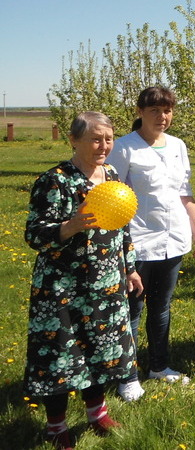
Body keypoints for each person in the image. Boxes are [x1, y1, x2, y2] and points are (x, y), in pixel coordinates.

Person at [24, 112, 144, 449]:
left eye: (108, 139)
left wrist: (130, 267)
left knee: (101, 351)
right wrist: (71, 225)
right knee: (61, 355)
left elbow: (122, 225)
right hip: (62, 287)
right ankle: (56, 427)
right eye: (95, 139)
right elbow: (34, 234)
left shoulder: (111, 175)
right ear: (74, 140)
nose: (103, 146)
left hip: (105, 283)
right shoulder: (55, 181)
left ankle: (97, 413)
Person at [107, 87, 195, 400]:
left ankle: (159, 366)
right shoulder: (124, 148)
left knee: (161, 308)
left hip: (172, 240)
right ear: (140, 112)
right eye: (154, 111)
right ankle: (127, 376)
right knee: (132, 310)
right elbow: (112, 198)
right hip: (137, 242)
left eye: (167, 110)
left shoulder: (178, 146)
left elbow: (184, 193)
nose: (162, 117)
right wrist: (121, 249)